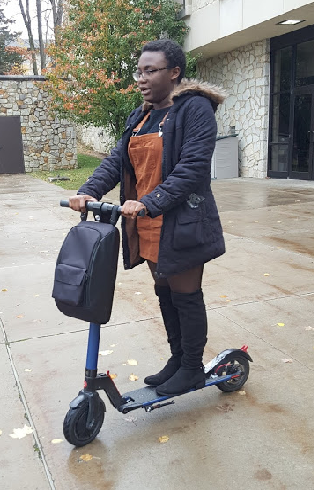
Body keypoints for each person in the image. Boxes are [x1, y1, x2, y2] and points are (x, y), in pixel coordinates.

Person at [69, 39, 226, 396]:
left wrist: (149, 201)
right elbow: (116, 160)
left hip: (181, 222)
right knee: (165, 293)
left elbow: (192, 168)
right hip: (145, 221)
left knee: (186, 296)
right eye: (139, 71)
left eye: (150, 71)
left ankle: (191, 368)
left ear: (174, 73)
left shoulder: (194, 109)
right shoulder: (140, 116)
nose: (142, 78)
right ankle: (177, 359)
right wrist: (88, 190)